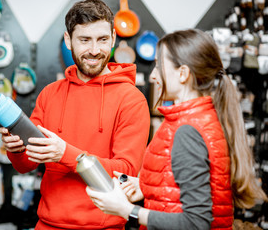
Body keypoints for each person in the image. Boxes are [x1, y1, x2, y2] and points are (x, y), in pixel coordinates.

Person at [86, 28, 267, 229]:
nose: (154, 75)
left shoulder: (188, 130)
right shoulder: (198, 119)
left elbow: (196, 222)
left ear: (182, 74)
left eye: (159, 66)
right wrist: (147, 187)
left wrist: (126, 210)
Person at [0, 0, 150, 230]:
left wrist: (66, 154)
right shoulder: (50, 94)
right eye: (84, 40)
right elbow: (26, 165)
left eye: (102, 40)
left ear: (113, 38)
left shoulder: (131, 99)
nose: (94, 50)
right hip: (47, 224)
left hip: (103, 227)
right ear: (69, 40)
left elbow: (125, 173)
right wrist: (16, 148)